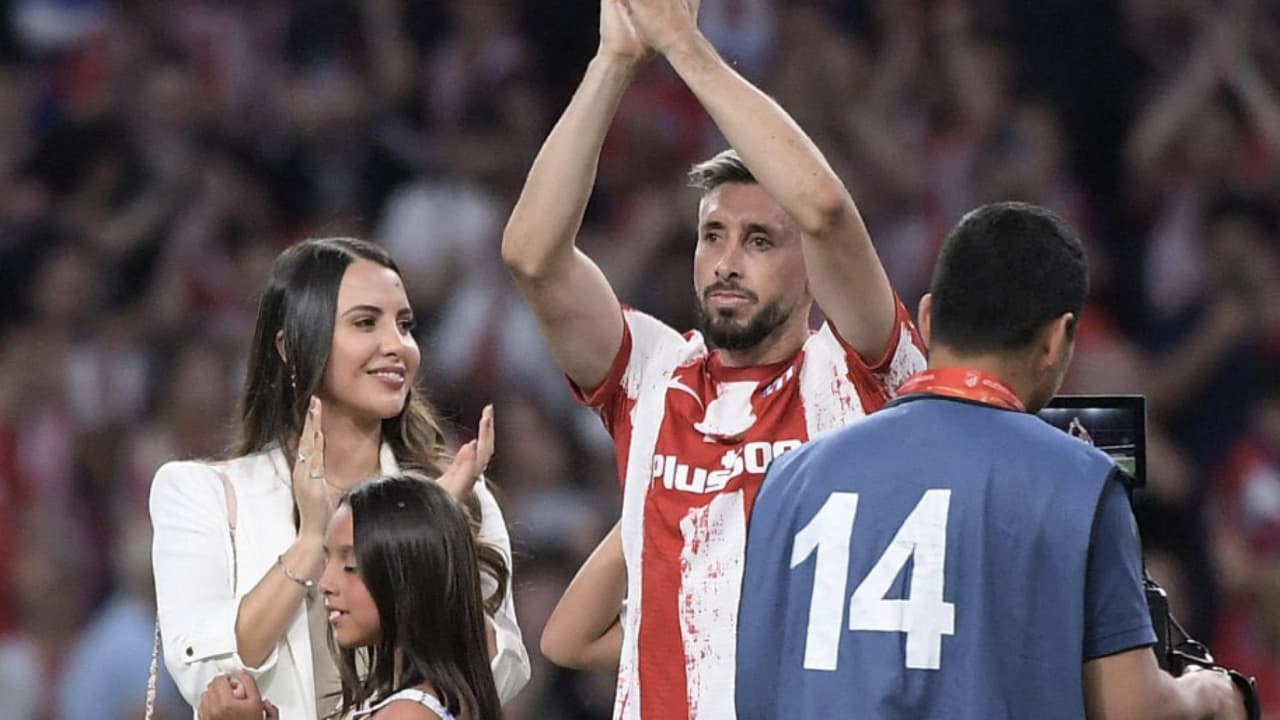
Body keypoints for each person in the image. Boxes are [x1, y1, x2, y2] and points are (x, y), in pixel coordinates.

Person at [501, 0, 925, 716]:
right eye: (713, 236)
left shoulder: (860, 377)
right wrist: (613, 63)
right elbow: (533, 257)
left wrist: (687, 48)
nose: (727, 262)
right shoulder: (654, 373)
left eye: (760, 241)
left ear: (811, 268)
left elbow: (823, 208)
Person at [736, 202, 1247, 719]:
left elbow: (752, 693)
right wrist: (1214, 692)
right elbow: (1132, 710)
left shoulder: (788, 479)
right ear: (1056, 339)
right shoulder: (1080, 480)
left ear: (928, 319)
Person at [150, 237, 529, 719]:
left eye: (405, 325)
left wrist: (421, 535)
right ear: (290, 346)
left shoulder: (455, 494)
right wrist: (310, 542)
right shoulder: (201, 494)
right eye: (365, 323)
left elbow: (500, 672)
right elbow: (210, 676)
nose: (397, 346)